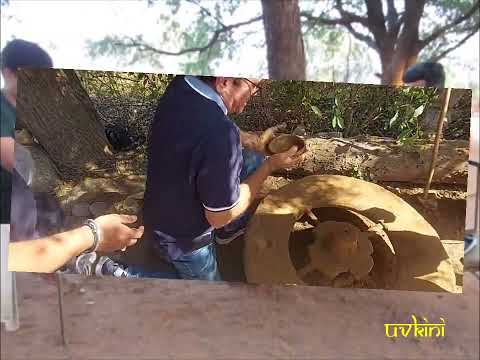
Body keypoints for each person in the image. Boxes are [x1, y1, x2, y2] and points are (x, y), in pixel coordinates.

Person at [143, 75, 305, 281]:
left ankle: (228, 233)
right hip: (180, 238)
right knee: (211, 298)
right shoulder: (219, 134)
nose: (254, 94)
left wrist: (247, 139)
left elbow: (208, 123)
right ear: (224, 81)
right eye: (254, 87)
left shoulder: (184, 85)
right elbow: (221, 216)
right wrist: (270, 166)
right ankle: (118, 273)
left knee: (254, 157)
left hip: (162, 203)